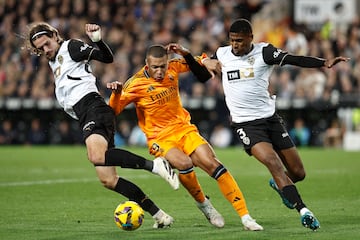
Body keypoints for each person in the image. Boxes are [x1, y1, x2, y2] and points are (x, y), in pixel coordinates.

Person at [201, 18, 350, 231]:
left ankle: (281, 186)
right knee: (274, 164)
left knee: (298, 173)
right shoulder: (222, 53)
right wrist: (204, 61)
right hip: (246, 125)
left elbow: (293, 59)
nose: (235, 45)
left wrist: (323, 63)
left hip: (270, 120)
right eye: (233, 40)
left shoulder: (264, 53)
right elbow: (202, 62)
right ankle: (304, 210)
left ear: (251, 38)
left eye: (240, 41)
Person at [26, 22, 179, 228]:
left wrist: (97, 40)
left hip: (93, 108)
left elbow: (107, 58)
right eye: (41, 48)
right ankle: (160, 215)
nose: (46, 50)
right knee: (109, 179)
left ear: (55, 35)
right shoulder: (55, 60)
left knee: (96, 156)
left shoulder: (70, 47)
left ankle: (155, 165)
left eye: (47, 44)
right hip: (86, 114)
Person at [107, 43, 263, 231]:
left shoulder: (173, 67)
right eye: (155, 67)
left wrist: (205, 60)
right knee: (184, 163)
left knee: (213, 163)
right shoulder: (135, 83)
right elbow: (113, 110)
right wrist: (116, 94)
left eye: (162, 66)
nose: (159, 71)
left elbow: (195, 61)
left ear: (167, 63)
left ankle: (246, 217)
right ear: (147, 65)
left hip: (184, 129)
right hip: (160, 138)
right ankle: (204, 204)